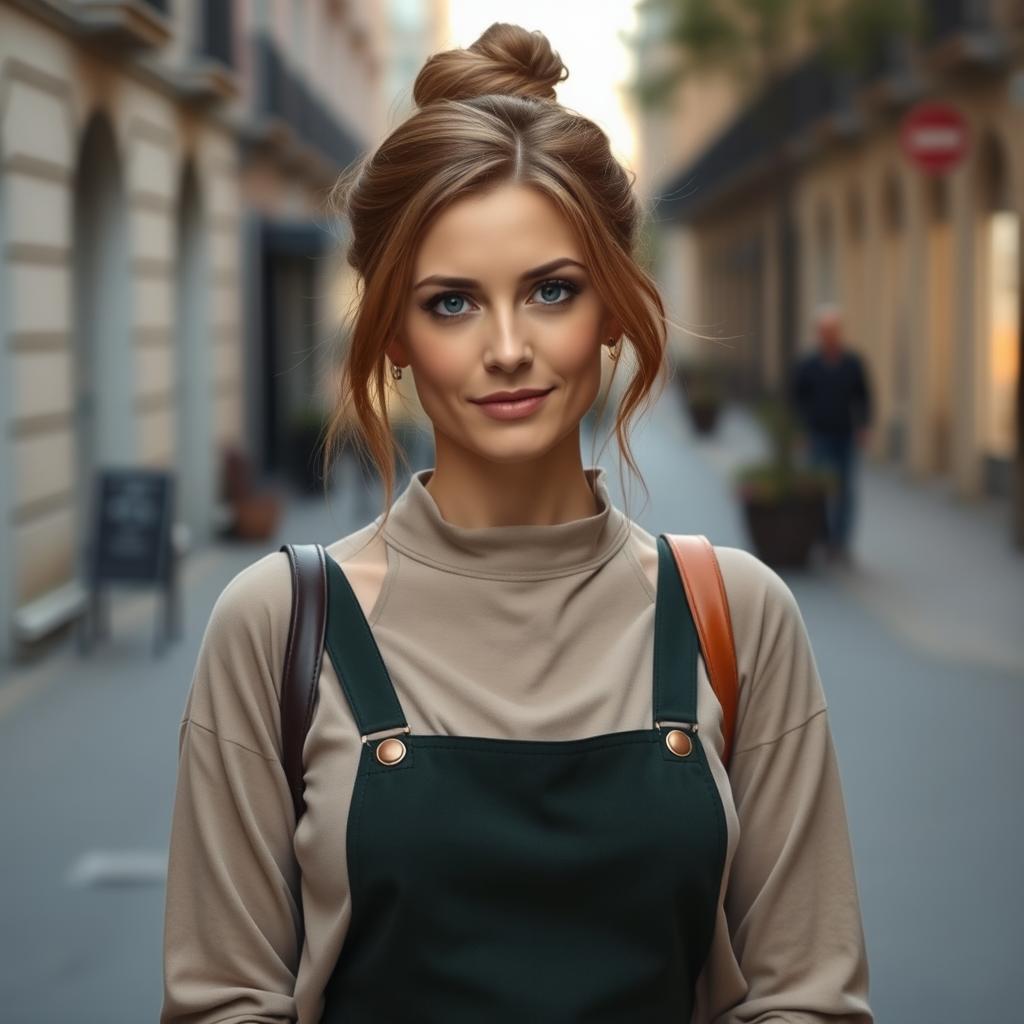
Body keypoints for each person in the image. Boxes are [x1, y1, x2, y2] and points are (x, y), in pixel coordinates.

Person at [160, 24, 872, 1024]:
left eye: (551, 290)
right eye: (451, 303)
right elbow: (223, 1002)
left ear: (614, 310)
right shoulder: (279, 626)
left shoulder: (735, 617)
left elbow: (808, 995)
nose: (506, 348)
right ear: (395, 336)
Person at [790, 304, 873, 564]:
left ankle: (840, 542)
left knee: (846, 491)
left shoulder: (852, 363)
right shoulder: (809, 365)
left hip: (845, 435)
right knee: (819, 491)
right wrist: (800, 431)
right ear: (819, 334)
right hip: (818, 436)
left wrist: (864, 426)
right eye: (825, 331)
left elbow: (864, 396)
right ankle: (823, 538)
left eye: (833, 331)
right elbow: (796, 399)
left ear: (840, 333)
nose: (829, 335)